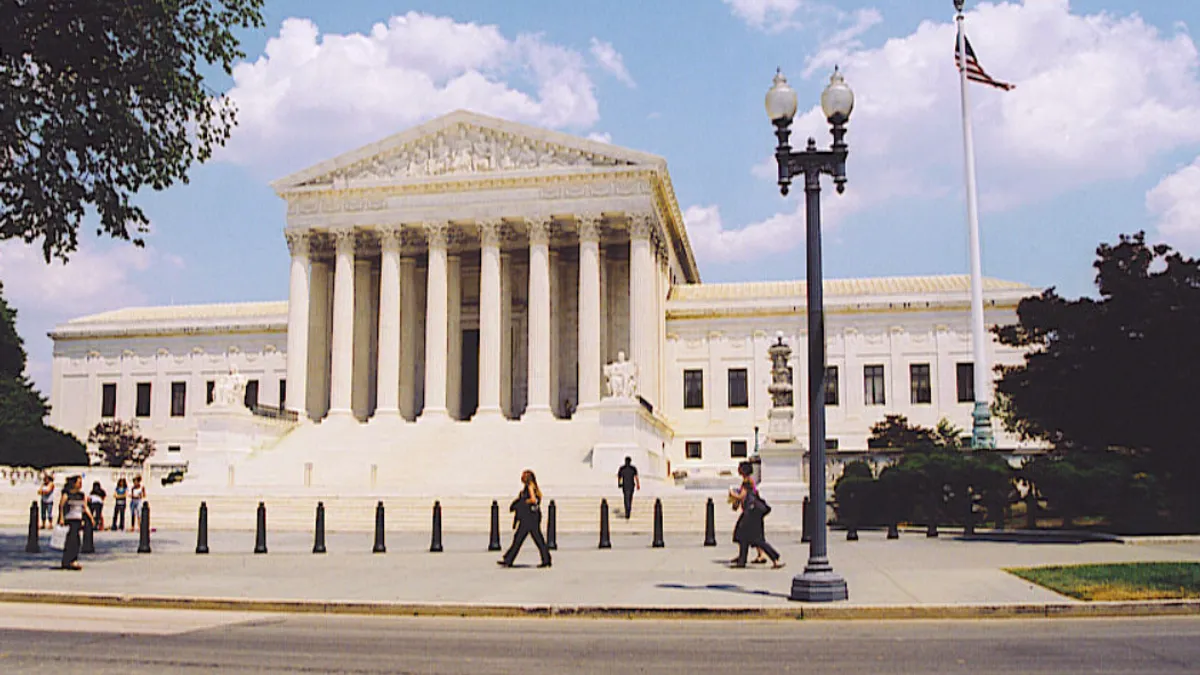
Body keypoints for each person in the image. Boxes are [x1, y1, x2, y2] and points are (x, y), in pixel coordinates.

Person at [729, 461, 784, 570]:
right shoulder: (748, 481)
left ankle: (775, 557)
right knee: (743, 537)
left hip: (750, 514)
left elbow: (741, 496)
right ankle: (742, 560)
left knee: (754, 538)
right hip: (751, 513)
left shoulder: (747, 482)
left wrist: (732, 494)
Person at [498, 470, 552, 568]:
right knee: (531, 538)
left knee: (521, 538)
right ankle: (546, 559)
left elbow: (533, 500)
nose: (521, 478)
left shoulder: (530, 487)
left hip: (529, 518)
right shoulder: (534, 487)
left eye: (523, 476)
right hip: (533, 517)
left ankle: (509, 559)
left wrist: (523, 502)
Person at [57, 475, 95, 571]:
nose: (80, 484)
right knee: (71, 541)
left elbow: (85, 507)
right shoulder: (67, 493)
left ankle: (72, 559)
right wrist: (61, 517)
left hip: (78, 519)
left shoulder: (81, 495)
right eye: (79, 482)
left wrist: (91, 518)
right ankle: (68, 560)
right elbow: (61, 505)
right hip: (70, 519)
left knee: (77, 541)